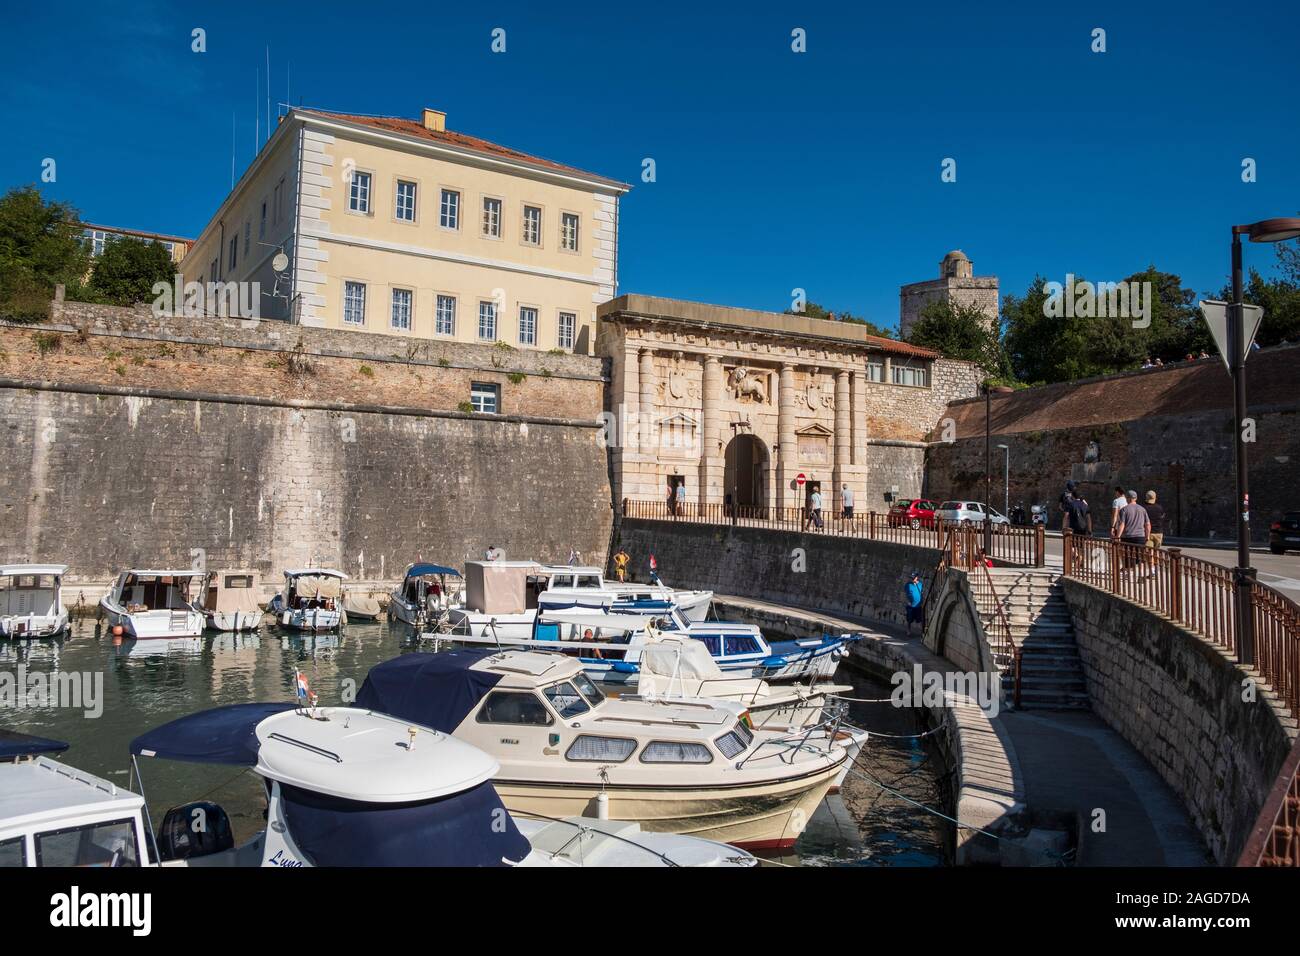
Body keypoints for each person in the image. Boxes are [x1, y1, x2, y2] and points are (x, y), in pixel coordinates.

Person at [1111, 490, 1151, 571]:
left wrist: (1118, 536)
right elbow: (1147, 524)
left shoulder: (1124, 510)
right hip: (1140, 536)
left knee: (1127, 557)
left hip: (1128, 536)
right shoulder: (1142, 509)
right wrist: (1147, 536)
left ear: (1128, 498)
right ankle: (1141, 576)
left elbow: (1122, 524)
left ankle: (1127, 574)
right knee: (1140, 558)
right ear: (1135, 498)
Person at [1061, 487, 1092, 566]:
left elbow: (1066, 516)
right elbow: (1088, 518)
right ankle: (1081, 562)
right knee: (1081, 546)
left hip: (1073, 528)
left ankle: (1077, 556)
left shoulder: (1070, 505)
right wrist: (1089, 530)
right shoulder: (1085, 505)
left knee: (1071, 545)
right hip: (1083, 528)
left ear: (1073, 496)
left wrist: (1064, 527)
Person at [1142, 490, 1166, 572]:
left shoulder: (1143, 508)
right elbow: (1163, 517)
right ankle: (1155, 569)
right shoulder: (1160, 508)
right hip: (1159, 532)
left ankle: (1152, 570)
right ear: (1155, 498)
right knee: (1156, 552)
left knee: (1149, 553)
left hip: (1148, 532)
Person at [904, 571, 924, 635]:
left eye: (913, 578)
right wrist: (908, 600)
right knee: (909, 619)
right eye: (911, 578)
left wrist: (922, 602)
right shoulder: (908, 585)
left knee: (920, 619)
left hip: (918, 606)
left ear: (917, 578)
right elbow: (907, 593)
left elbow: (922, 594)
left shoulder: (920, 585)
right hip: (910, 606)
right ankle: (908, 630)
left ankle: (922, 632)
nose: (912, 579)